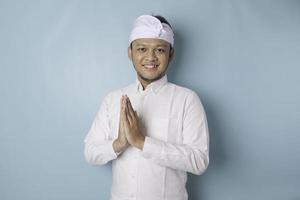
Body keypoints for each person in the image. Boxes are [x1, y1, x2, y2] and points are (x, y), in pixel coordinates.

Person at [84, 14, 209, 200]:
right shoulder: (113, 99)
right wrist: (119, 143)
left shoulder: (187, 100)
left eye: (159, 50)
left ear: (171, 54)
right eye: (142, 49)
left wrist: (142, 142)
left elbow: (199, 161)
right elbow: (90, 153)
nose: (150, 57)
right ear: (130, 52)